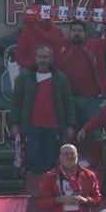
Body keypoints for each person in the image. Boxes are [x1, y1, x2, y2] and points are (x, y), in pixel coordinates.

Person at [11, 44, 77, 174]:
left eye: (45, 57)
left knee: (51, 162)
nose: (42, 60)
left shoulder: (60, 78)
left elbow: (68, 103)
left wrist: (70, 125)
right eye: (40, 56)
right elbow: (16, 101)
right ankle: (34, 191)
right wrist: (14, 123)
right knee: (32, 161)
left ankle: (50, 191)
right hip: (31, 128)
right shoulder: (24, 78)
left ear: (51, 59)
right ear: (35, 58)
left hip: (54, 128)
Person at [38, 144, 102, 212]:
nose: (69, 156)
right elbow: (42, 202)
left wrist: (85, 200)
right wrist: (60, 199)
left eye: (72, 154)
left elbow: (98, 199)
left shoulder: (89, 175)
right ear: (60, 157)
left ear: (77, 156)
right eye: (66, 154)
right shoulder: (51, 176)